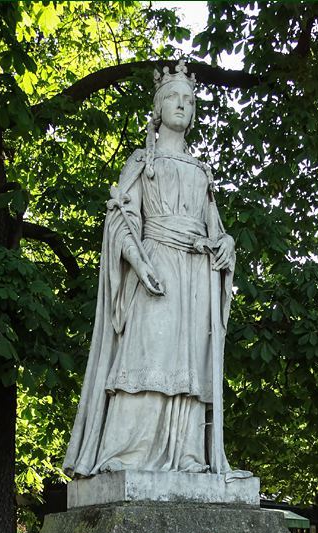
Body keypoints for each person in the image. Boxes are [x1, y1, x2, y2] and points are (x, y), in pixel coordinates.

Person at [63, 61, 238, 478]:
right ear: (158, 108)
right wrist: (139, 263)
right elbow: (122, 220)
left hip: (197, 276)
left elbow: (217, 229)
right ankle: (127, 454)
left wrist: (226, 243)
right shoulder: (142, 161)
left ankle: (189, 456)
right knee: (148, 354)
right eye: (173, 98)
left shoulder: (201, 171)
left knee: (190, 367)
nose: (183, 105)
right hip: (156, 266)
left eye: (189, 100)